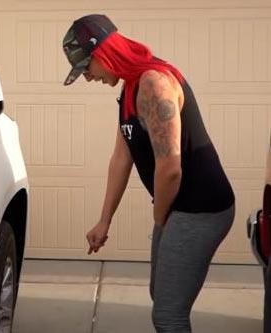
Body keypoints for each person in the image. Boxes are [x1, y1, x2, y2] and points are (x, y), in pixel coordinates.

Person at [61, 14, 235, 332]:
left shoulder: (154, 84)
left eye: (87, 67)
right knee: (162, 295)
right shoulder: (129, 89)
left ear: (102, 53)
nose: (88, 77)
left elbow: (170, 169)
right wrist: (104, 220)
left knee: (168, 315)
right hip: (177, 207)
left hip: (202, 209)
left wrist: (159, 220)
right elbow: (120, 157)